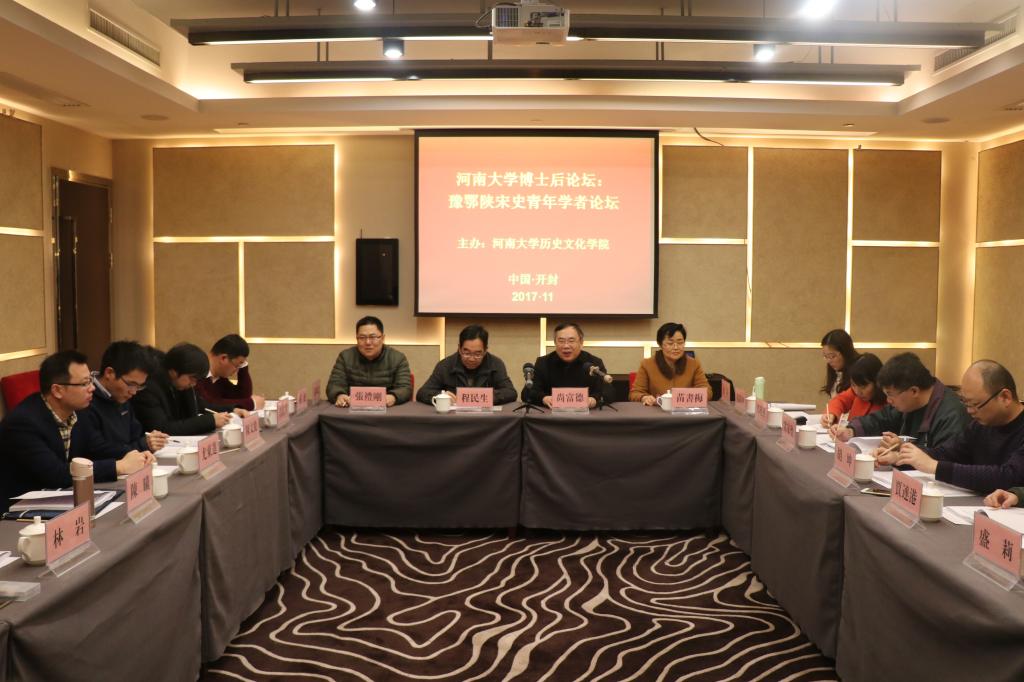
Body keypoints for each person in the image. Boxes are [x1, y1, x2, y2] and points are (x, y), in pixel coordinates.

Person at [0, 351, 153, 513]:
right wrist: (118, 467)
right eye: (84, 383)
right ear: (57, 390)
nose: (92, 388)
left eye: (91, 381)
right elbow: (56, 474)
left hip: (61, 499)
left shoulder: (78, 412)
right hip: (18, 512)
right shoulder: (23, 423)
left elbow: (97, 448)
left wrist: (136, 454)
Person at [882, 360, 1024, 493]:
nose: (969, 411)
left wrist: (935, 467)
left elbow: (1009, 476)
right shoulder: (979, 425)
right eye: (966, 403)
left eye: (975, 404)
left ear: (1005, 397)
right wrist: (901, 457)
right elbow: (947, 453)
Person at [831, 352, 968, 451]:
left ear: (914, 391)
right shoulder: (907, 404)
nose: (888, 401)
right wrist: (851, 431)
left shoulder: (951, 414)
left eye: (890, 395)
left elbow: (944, 459)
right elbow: (882, 419)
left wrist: (902, 451)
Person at [134, 343, 245, 435]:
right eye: (192, 378)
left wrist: (231, 410)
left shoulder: (180, 383)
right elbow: (163, 428)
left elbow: (200, 405)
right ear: (174, 371)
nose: (193, 384)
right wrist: (210, 421)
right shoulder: (149, 388)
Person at [79, 340, 169, 454]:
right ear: (109, 373)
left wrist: (149, 441)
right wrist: (143, 445)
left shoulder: (121, 396)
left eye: (139, 386)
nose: (134, 392)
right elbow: (96, 451)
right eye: (131, 384)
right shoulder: (85, 398)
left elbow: (136, 436)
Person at [415, 325, 517, 405]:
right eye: (467, 353)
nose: (471, 359)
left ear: (485, 351)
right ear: (459, 349)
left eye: (477, 354)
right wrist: (441, 396)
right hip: (454, 419)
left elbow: (511, 392)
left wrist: (489, 396)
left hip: (486, 419)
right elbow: (422, 393)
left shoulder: (495, 364)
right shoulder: (446, 365)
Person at [522, 322, 615, 408]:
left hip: (586, 416)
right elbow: (527, 393)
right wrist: (543, 398)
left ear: (581, 342)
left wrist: (594, 400)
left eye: (571, 341)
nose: (566, 346)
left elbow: (609, 392)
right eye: (561, 341)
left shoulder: (594, 363)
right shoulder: (543, 363)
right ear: (555, 343)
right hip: (552, 416)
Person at [327, 316, 412, 407]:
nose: (367, 342)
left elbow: (405, 388)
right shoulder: (345, 357)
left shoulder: (397, 358)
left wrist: (393, 397)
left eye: (373, 337)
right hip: (352, 409)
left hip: (387, 410)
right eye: (362, 337)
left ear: (383, 338)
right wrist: (340, 395)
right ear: (356, 338)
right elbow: (334, 385)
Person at [629, 322, 711, 405]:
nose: (676, 347)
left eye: (680, 343)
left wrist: (683, 398)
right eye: (670, 343)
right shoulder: (647, 364)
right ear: (660, 344)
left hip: (685, 410)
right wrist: (644, 397)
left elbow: (707, 391)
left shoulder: (694, 364)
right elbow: (635, 393)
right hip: (657, 410)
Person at [196, 333, 265, 411]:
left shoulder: (219, 377)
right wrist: (251, 404)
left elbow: (241, 396)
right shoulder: (196, 373)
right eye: (236, 366)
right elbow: (208, 404)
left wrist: (243, 365)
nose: (236, 370)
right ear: (224, 358)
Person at [821, 353, 886, 427]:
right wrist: (831, 414)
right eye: (853, 385)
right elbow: (840, 400)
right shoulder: (854, 392)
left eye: (863, 387)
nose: (858, 392)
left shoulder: (889, 401)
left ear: (877, 382)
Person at [820, 329, 859, 398]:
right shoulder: (836, 372)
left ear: (845, 352)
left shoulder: (859, 371)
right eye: (826, 356)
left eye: (832, 356)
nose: (828, 361)